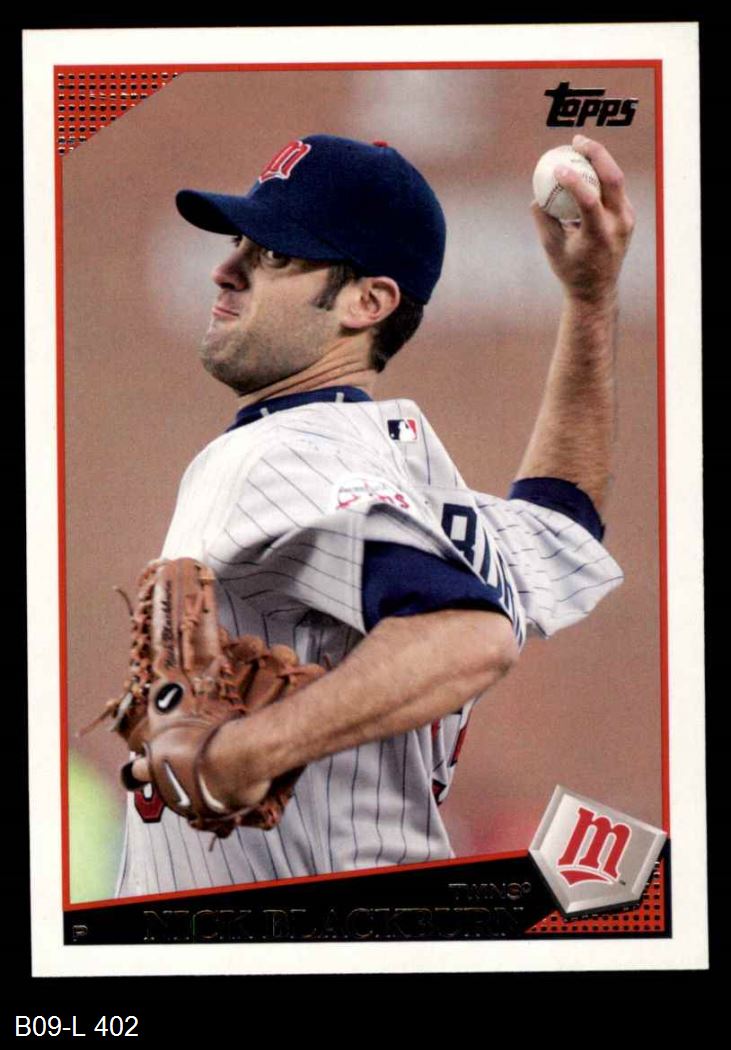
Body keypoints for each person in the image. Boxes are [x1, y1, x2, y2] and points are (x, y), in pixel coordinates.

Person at [116, 132, 634, 896]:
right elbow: (561, 519)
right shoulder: (412, 481)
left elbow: (468, 635)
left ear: (369, 302)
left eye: (274, 254)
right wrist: (589, 299)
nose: (227, 269)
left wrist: (250, 750)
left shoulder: (281, 452)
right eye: (239, 243)